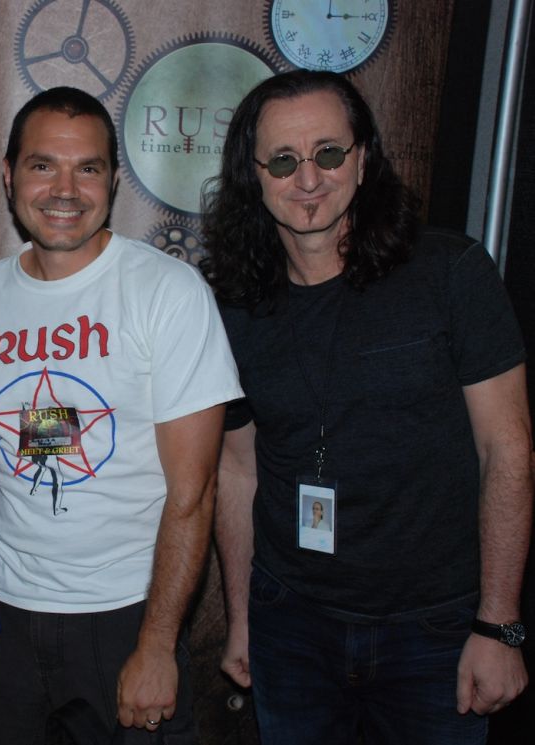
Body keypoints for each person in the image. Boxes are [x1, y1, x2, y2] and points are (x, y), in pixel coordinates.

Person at [201, 69, 532, 744]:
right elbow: (237, 470)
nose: (309, 178)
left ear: (364, 157)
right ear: (254, 175)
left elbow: (510, 450)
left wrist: (498, 622)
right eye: (284, 161)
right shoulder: (233, 306)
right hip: (290, 624)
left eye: (329, 153)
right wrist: (241, 616)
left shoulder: (450, 272)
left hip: (436, 629)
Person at [0, 86, 242, 743]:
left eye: (89, 168)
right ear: (9, 174)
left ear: (113, 180)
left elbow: (194, 491)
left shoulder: (168, 292)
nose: (65, 189)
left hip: (125, 612)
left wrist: (158, 644)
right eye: (43, 165)